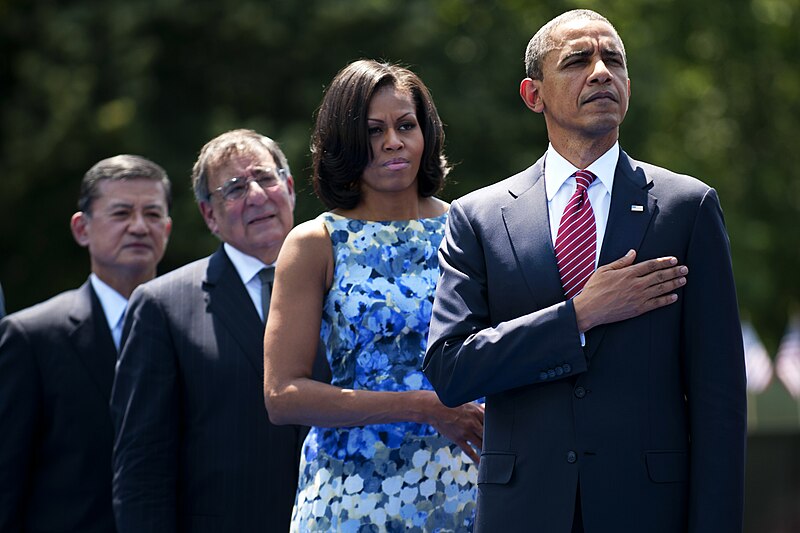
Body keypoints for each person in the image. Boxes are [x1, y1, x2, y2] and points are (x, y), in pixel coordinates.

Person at [424, 9, 746, 533]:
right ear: (534, 94)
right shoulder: (478, 217)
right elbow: (451, 370)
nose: (601, 72)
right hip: (522, 513)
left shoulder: (687, 208)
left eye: (613, 60)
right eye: (578, 60)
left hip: (648, 513)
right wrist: (577, 317)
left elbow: (720, 403)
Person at [263, 59, 483, 532]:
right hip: (352, 496)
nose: (393, 142)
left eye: (406, 125)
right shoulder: (314, 242)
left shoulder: (470, 226)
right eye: (373, 130)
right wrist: (423, 406)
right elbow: (282, 396)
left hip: (465, 489)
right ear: (345, 141)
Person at [110, 129, 328, 532]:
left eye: (266, 178)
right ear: (209, 214)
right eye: (235, 188)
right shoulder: (163, 306)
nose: (258, 196)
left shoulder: (343, 286)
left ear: (290, 187)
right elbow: (143, 469)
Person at [0, 155, 172, 533]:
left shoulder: (194, 331)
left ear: (168, 228)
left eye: (153, 214)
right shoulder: (31, 336)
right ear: (82, 229)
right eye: (121, 213)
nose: (139, 227)